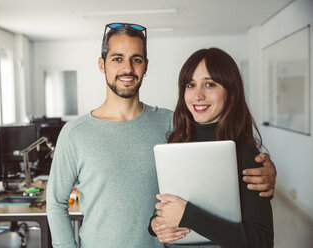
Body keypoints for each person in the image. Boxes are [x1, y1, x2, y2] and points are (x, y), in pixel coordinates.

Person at [47, 23, 276, 248]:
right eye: (117, 58)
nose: (127, 68)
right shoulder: (75, 133)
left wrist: (266, 170)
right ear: (101, 64)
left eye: (136, 59)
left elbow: (220, 146)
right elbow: (56, 202)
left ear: (145, 66)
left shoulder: (175, 123)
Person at [150, 48, 274, 248]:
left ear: (230, 92)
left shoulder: (246, 154)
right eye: (190, 85)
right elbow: (166, 206)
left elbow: (262, 242)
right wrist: (155, 223)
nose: (198, 95)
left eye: (210, 84)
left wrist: (188, 215)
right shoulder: (175, 144)